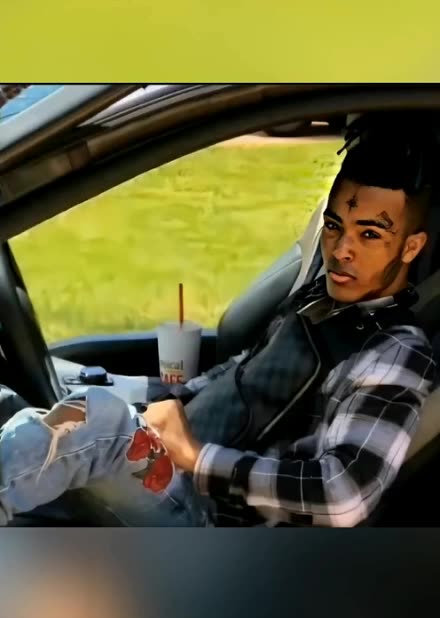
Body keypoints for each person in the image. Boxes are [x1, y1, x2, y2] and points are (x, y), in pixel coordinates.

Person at [0, 116, 437, 527]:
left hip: (219, 524)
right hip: (177, 471)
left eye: (369, 235)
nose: (340, 250)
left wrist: (195, 456)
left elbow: (342, 496)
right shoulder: (321, 301)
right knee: (22, 405)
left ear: (412, 247)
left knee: (97, 425)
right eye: (334, 226)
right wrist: (149, 400)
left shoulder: (396, 353)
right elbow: (241, 377)